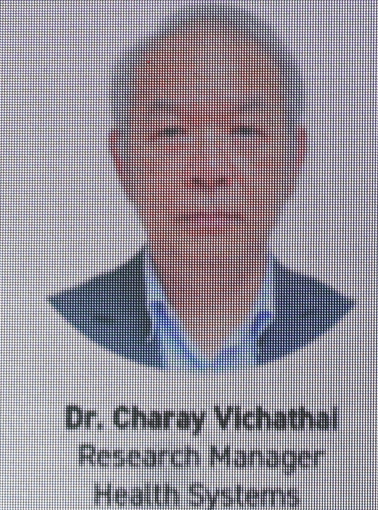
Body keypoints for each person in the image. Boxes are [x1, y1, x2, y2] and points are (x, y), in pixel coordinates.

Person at [51, 3, 352, 371]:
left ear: (295, 157)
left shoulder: (352, 330)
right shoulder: (56, 329)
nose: (209, 171)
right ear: (122, 160)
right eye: (171, 132)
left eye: (245, 131)